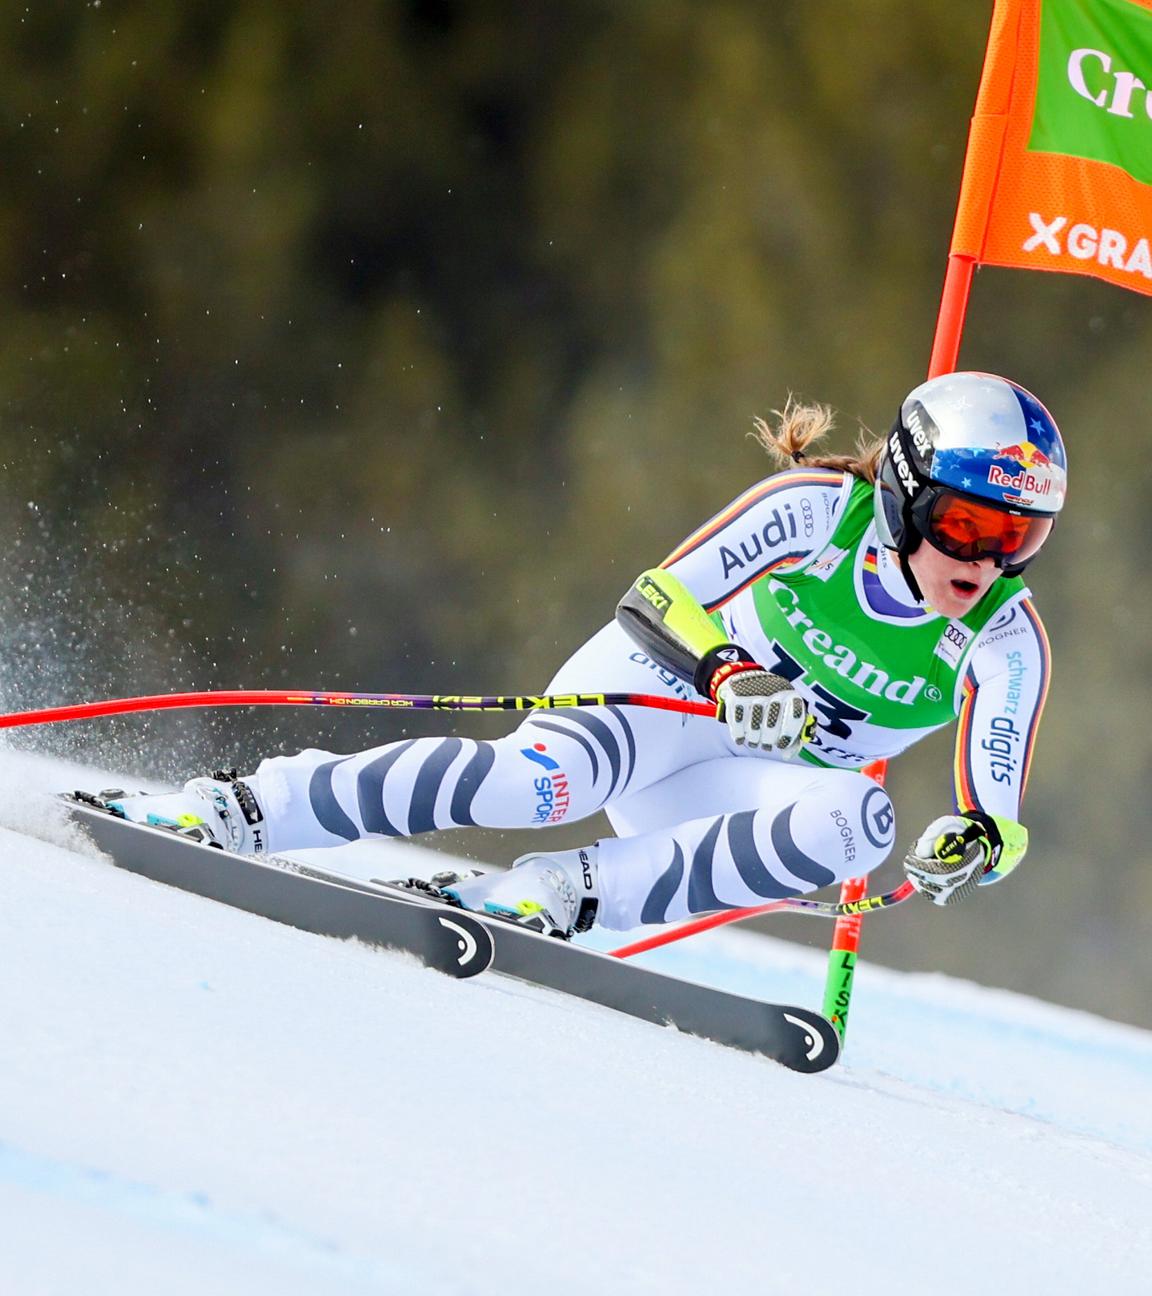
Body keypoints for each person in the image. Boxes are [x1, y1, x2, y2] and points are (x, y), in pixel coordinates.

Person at [107, 371, 1066, 935]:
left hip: (738, 786)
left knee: (862, 823)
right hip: (657, 701)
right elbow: (654, 597)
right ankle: (245, 808)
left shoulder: (1006, 641)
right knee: (530, 791)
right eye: (970, 522)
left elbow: (1000, 808)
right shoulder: (818, 512)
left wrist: (976, 841)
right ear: (905, 494)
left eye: (1020, 537)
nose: (988, 560)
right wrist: (727, 671)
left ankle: (556, 896)